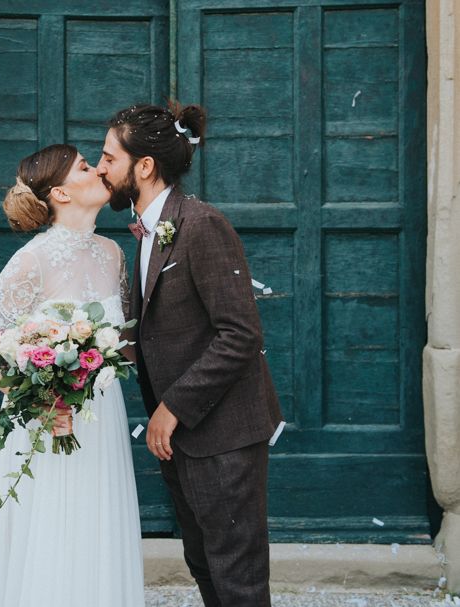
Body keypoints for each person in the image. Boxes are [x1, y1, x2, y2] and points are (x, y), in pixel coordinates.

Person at [96, 102, 284, 607]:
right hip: (182, 440)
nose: (99, 168)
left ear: (144, 166)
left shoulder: (201, 225)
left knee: (237, 576)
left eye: (109, 157)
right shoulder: (143, 231)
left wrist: (172, 407)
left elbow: (240, 334)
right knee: (204, 563)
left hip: (223, 432)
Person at [0, 144, 145, 607]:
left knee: (99, 526)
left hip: (101, 416)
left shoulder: (114, 253)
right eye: (85, 167)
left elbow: (126, 342)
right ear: (61, 193)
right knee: (54, 533)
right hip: (43, 422)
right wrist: (44, 404)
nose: (98, 170)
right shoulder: (31, 261)